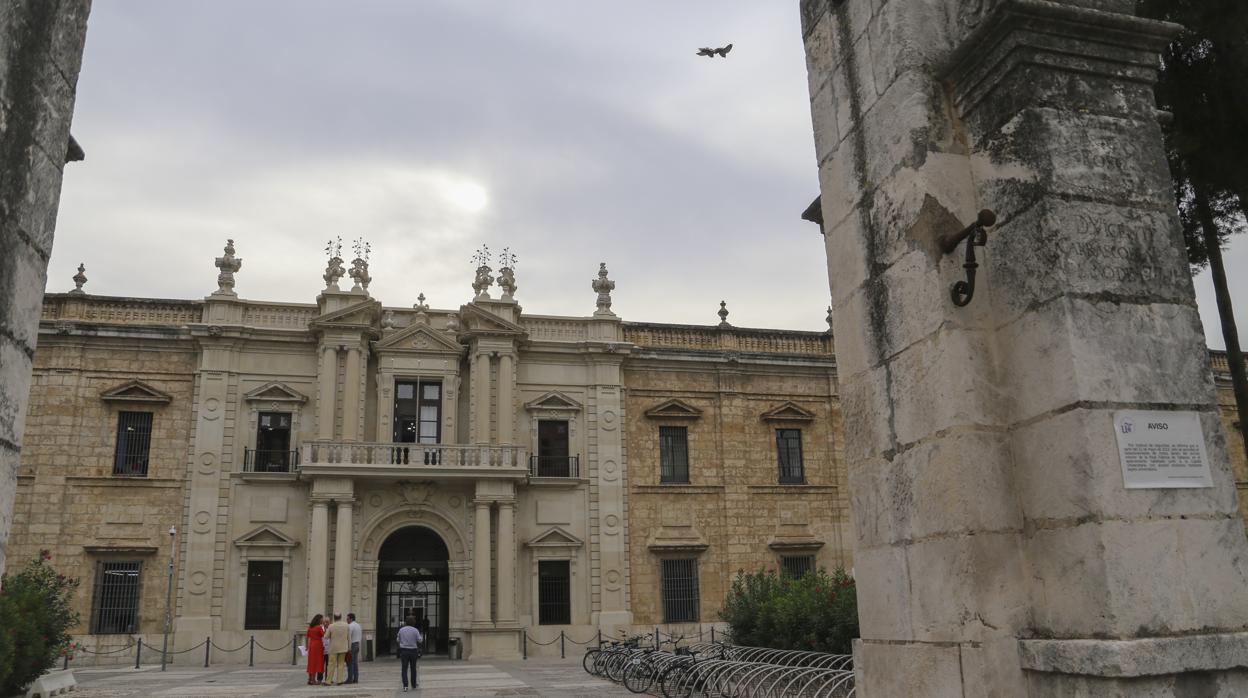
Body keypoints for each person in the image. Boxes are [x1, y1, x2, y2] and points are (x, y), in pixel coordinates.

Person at [397, 615, 423, 692]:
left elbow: (398, 639)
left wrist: (403, 642)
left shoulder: (401, 630)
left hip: (404, 651)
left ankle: (405, 686)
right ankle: (414, 684)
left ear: (406, 622)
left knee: (404, 669)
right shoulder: (415, 630)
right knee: (413, 668)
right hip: (413, 651)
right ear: (413, 622)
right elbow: (420, 640)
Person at [324, 613, 351, 686]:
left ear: (334, 618)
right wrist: (349, 648)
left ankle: (328, 681)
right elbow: (349, 638)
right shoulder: (346, 625)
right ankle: (340, 680)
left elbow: (326, 637)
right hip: (343, 648)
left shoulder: (331, 626)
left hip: (333, 648)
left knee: (331, 665)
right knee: (341, 664)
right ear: (341, 617)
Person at [305, 614, 325, 686]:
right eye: (322, 619)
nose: (323, 620)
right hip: (318, 646)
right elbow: (324, 635)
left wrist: (307, 646)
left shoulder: (310, 627)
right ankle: (313, 680)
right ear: (319, 619)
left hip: (311, 645)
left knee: (311, 662)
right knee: (317, 663)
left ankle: (310, 679)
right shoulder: (319, 627)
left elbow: (307, 637)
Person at [346, 612, 363, 684]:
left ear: (351, 618)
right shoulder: (358, 625)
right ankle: (356, 678)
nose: (346, 620)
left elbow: (348, 636)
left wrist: (348, 648)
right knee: (355, 662)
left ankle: (350, 679)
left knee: (350, 662)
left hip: (352, 644)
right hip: (357, 644)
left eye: (347, 618)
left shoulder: (350, 626)